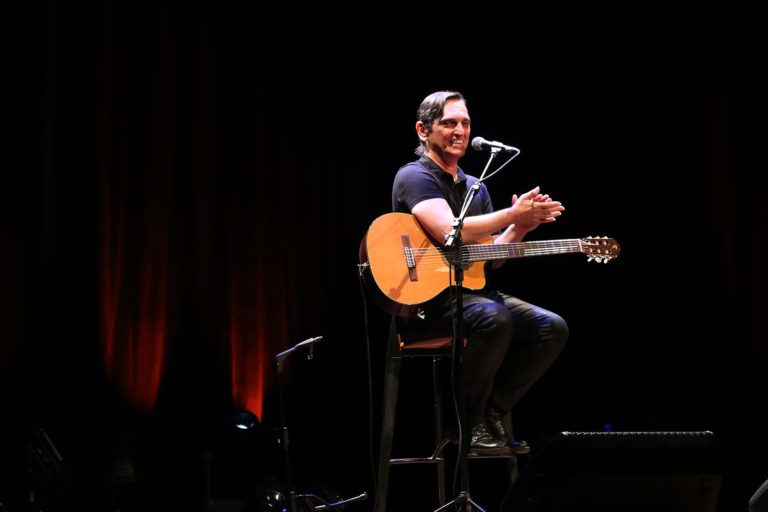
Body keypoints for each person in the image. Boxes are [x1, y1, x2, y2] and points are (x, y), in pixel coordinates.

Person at [392, 90, 569, 455]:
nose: (460, 130)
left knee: (550, 327)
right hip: (425, 302)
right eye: (449, 123)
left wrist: (520, 227)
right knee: (494, 318)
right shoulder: (414, 176)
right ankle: (466, 424)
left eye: (465, 123)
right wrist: (511, 215)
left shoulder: (475, 187)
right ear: (423, 131)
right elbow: (448, 231)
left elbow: (487, 259)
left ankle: (492, 410)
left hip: (472, 295)